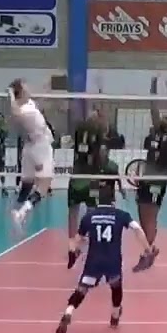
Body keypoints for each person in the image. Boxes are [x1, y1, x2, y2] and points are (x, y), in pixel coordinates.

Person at [55, 183, 151, 333]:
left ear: (98, 200)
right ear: (113, 200)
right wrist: (147, 249)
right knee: (116, 287)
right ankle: (115, 316)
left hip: (93, 261)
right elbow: (137, 229)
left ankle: (68, 312)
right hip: (112, 260)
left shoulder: (89, 217)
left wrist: (72, 252)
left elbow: (77, 239)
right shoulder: (121, 215)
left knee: (81, 290)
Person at [131, 75, 167, 272]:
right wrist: (152, 85)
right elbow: (153, 108)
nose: (165, 117)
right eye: (164, 117)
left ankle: (147, 254)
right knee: (143, 218)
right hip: (146, 178)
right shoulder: (155, 133)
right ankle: (150, 249)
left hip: (157, 181)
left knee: (150, 217)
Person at [8, 79, 56, 233]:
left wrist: (48, 87)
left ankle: (16, 210)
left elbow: (38, 102)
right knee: (44, 186)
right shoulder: (23, 110)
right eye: (26, 88)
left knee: (27, 184)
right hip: (40, 147)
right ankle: (22, 213)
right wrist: (11, 95)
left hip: (29, 147)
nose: (29, 89)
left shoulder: (29, 104)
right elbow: (15, 112)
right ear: (21, 92)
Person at [66, 107, 110, 263]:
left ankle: (72, 247)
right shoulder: (99, 134)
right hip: (91, 178)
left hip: (76, 177)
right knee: (93, 212)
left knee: (73, 212)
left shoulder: (79, 130)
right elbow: (102, 156)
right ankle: (94, 247)